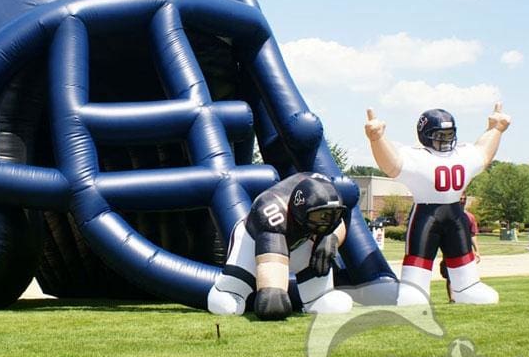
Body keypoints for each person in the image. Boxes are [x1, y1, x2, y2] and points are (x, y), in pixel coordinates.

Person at [364, 103, 510, 305]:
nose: (445, 139)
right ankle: (415, 289)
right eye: (439, 135)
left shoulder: (463, 154)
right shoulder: (417, 156)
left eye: (449, 134)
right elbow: (392, 164)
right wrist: (377, 139)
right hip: (426, 213)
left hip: (454, 213)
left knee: (460, 252)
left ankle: (466, 286)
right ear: (425, 135)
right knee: (420, 253)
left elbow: (483, 154)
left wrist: (496, 129)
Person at [207, 172, 354, 320]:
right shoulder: (272, 210)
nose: (326, 223)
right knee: (233, 302)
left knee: (324, 295)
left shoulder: (326, 190)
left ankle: (316, 297)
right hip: (253, 241)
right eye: (320, 217)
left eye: (331, 216)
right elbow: (272, 258)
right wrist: (273, 292)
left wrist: (331, 238)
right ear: (299, 209)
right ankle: (229, 289)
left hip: (301, 240)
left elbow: (338, 217)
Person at [439, 192, 480, 301]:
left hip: (466, 251)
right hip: (449, 249)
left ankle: (467, 296)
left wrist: (477, 251)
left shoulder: (469, 217)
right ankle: (452, 299)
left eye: (464, 199)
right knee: (450, 275)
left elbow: (473, 234)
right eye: (460, 198)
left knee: (468, 274)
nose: (462, 200)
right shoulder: (446, 215)